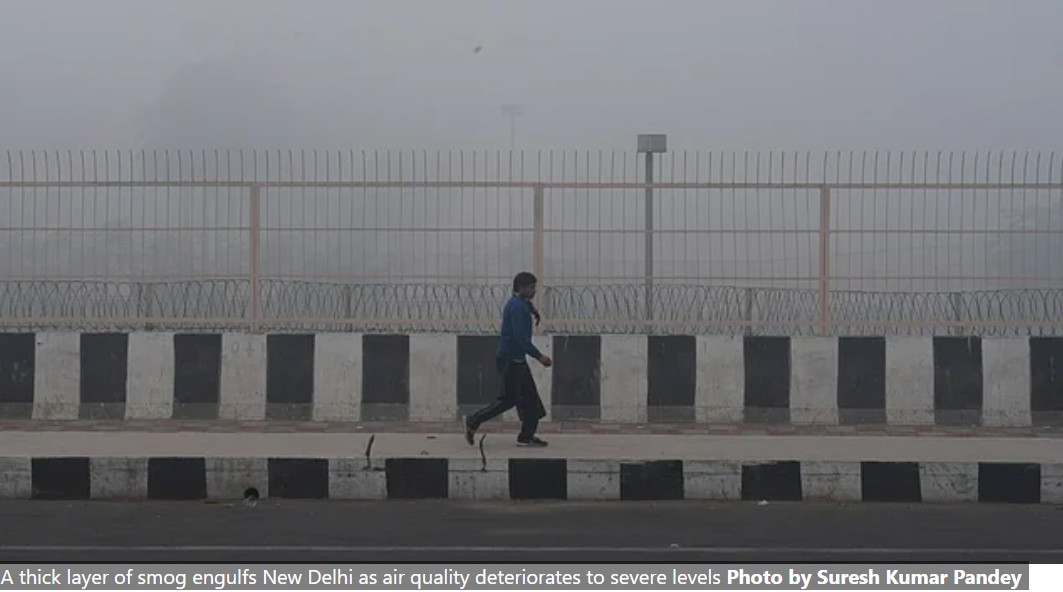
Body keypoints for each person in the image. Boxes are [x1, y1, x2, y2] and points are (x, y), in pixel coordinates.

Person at [464, 271, 552, 447]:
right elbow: (521, 340)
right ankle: (474, 420)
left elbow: (527, 306)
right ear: (521, 288)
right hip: (510, 360)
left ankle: (526, 436)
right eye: (531, 288)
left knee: (531, 400)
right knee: (509, 400)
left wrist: (534, 312)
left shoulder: (520, 303)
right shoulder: (517, 308)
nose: (534, 291)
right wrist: (540, 357)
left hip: (516, 359)